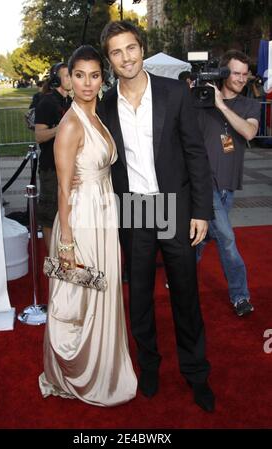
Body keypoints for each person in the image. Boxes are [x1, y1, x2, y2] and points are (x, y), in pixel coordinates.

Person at [74, 21, 215, 412]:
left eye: (131, 48)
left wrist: (201, 210)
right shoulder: (104, 106)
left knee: (185, 294)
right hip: (134, 208)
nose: (126, 57)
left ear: (142, 48)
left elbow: (196, 154)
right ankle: (148, 365)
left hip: (172, 204)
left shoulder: (173, 92)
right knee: (139, 298)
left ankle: (197, 372)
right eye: (117, 52)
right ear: (110, 59)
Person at [39, 45, 137, 407]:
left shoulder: (98, 116)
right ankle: (76, 373)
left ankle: (104, 368)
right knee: (79, 294)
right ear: (69, 78)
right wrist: (65, 244)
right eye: (79, 75)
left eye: (94, 75)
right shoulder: (69, 124)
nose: (86, 83)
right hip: (80, 223)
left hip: (104, 212)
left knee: (101, 291)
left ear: (102, 77)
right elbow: (64, 188)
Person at [197, 49, 261, 317]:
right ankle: (240, 296)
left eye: (245, 74)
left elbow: (248, 132)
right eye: (236, 73)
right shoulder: (200, 100)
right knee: (226, 237)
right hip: (204, 181)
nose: (241, 78)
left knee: (203, 237)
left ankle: (181, 273)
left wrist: (221, 105)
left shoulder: (249, 105)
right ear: (224, 73)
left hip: (228, 183)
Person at [35, 63, 72, 251]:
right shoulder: (47, 102)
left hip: (67, 166)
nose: (72, 79)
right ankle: (51, 257)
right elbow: (39, 136)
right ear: (57, 80)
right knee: (50, 214)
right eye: (67, 76)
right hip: (51, 168)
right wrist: (60, 129)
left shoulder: (68, 102)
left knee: (65, 212)